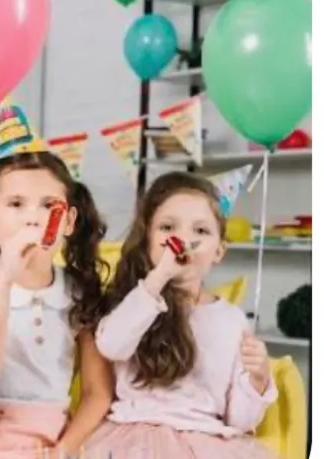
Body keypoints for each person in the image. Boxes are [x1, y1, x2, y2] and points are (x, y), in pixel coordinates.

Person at [85, 171, 279, 458]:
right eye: (167, 227)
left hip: (206, 442)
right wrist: (160, 276)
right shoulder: (135, 303)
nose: (183, 239)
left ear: (218, 251)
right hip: (135, 438)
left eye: (200, 231)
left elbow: (240, 420)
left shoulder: (231, 320)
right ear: (148, 240)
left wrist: (258, 379)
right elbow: (111, 344)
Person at [0, 148, 114, 458]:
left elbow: (97, 394)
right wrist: (5, 276)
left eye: (49, 206)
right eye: (16, 204)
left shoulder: (79, 291)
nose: (33, 217)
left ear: (69, 221)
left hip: (51, 438)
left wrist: (64, 449)